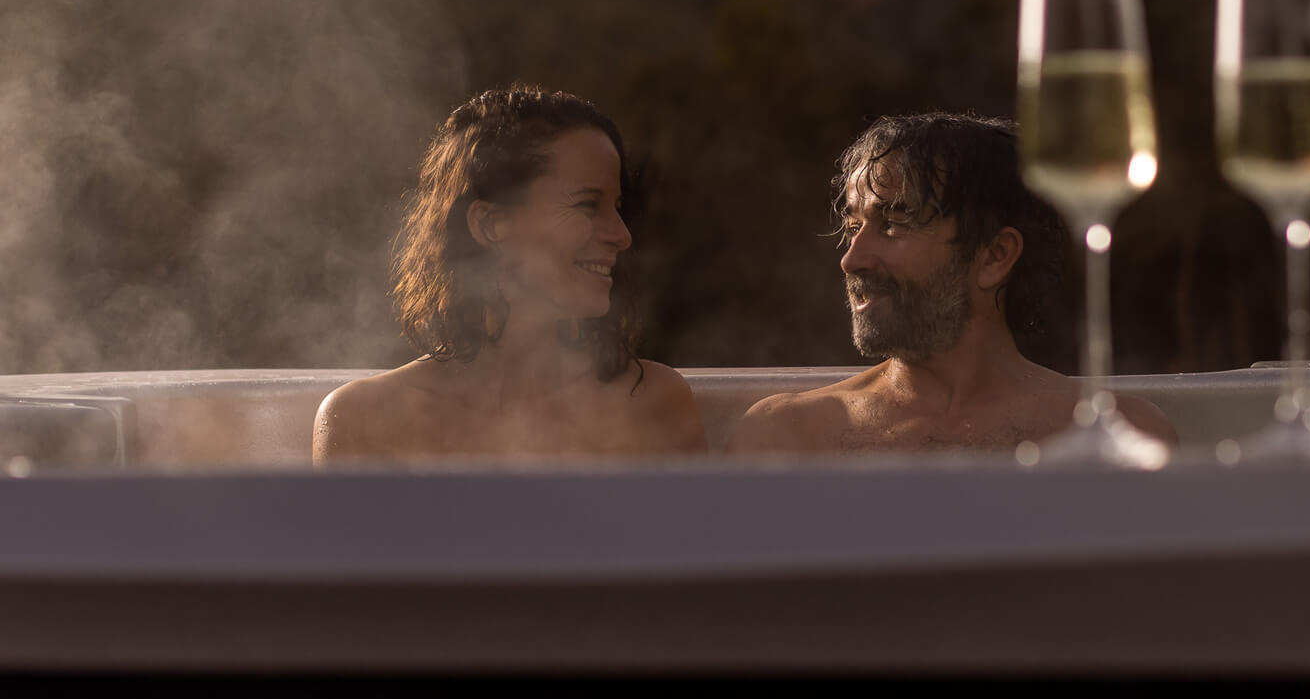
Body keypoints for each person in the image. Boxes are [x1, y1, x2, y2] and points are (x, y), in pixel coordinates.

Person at [728, 112, 1175, 454]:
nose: (852, 259)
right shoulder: (786, 437)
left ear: (994, 256)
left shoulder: (1117, 438)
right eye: (853, 226)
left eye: (895, 222)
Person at [313, 86, 707, 462]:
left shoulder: (653, 405)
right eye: (588, 205)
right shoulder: (364, 421)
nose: (622, 235)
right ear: (490, 225)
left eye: (617, 207)